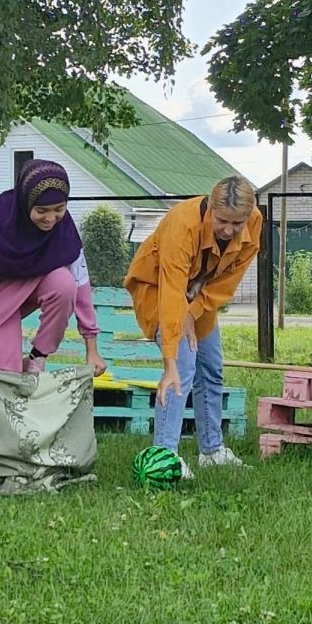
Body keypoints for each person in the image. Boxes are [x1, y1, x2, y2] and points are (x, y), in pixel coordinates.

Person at [124, 176, 261, 474]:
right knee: (183, 368)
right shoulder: (182, 223)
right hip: (158, 288)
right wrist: (170, 360)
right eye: (222, 221)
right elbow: (172, 289)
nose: (228, 230)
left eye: (237, 224)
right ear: (210, 208)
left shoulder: (254, 221)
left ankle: (212, 450)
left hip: (201, 291)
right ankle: (164, 456)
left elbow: (231, 278)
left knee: (211, 367)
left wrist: (195, 309)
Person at [0, 159, 106, 378]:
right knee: (7, 375)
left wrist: (92, 350)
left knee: (65, 283)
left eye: (59, 209)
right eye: (41, 210)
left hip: (36, 283)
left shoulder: (64, 229)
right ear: (26, 202)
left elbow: (81, 286)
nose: (50, 219)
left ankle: (37, 357)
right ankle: (8, 383)